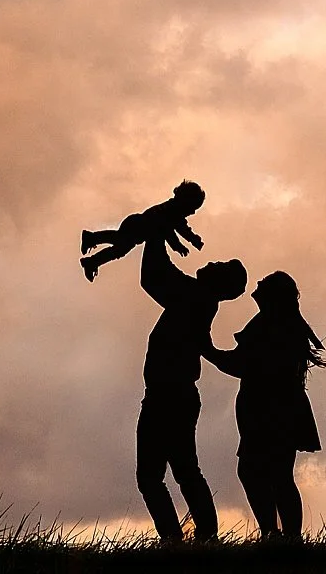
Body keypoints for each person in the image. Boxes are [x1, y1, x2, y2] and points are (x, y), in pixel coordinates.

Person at [134, 232, 245, 544]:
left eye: (219, 266)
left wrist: (156, 232)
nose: (211, 262)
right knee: (181, 471)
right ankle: (197, 537)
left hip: (167, 396)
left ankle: (180, 538)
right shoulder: (199, 299)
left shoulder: (194, 296)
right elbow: (157, 276)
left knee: (155, 476)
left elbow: (153, 277)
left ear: (219, 283)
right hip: (173, 395)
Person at [203, 270, 323, 542]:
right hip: (279, 408)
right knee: (275, 473)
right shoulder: (279, 323)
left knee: (259, 472)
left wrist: (207, 350)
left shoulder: (271, 325)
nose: (257, 283)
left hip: (269, 410)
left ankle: (276, 534)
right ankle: (283, 536)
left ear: (272, 296)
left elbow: (241, 364)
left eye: (264, 283)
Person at [81, 180, 205, 281]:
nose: (193, 212)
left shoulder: (175, 212)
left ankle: (91, 258)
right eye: (192, 208)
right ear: (185, 201)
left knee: (119, 245)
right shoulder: (172, 210)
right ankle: (91, 244)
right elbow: (167, 229)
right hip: (137, 225)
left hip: (136, 226)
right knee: (119, 243)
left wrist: (193, 239)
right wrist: (177, 246)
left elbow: (182, 228)